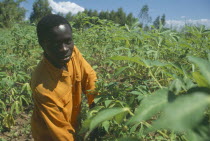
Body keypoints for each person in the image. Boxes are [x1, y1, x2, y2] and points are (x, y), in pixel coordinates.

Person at [30, 14, 97, 141]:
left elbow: (90, 78)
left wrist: (97, 111)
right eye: (56, 44)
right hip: (50, 136)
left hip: (72, 125)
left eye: (68, 41)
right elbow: (61, 133)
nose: (64, 49)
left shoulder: (73, 52)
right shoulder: (42, 86)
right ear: (42, 44)